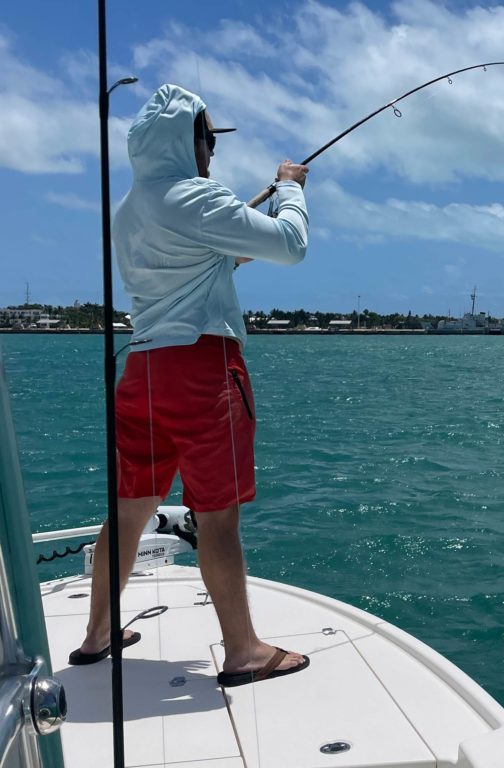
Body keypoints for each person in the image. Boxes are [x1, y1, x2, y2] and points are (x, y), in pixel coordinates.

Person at [70, 84, 311, 687]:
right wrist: (291, 190)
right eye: (209, 138)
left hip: (144, 371)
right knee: (217, 517)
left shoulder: (129, 210)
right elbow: (290, 246)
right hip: (203, 371)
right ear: (187, 138)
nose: (213, 153)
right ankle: (243, 652)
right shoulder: (198, 197)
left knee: (128, 512)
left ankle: (98, 633)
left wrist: (230, 251)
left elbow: (194, 268)